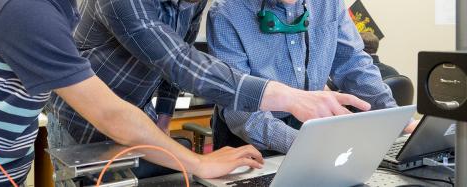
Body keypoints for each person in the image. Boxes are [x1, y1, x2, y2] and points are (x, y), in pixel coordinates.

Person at [0, 0, 370, 186]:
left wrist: (164, 127)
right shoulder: (29, 11)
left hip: (1, 161)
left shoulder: (56, 6)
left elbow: (175, 64)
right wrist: (282, 96)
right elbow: (116, 108)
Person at [46, 0, 371, 184]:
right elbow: (179, 62)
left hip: (140, 116)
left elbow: (181, 47)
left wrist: (164, 114)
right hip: (83, 121)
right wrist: (287, 96)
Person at [206, 0, 411, 154]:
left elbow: (354, 64)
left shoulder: (329, 3)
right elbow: (240, 109)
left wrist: (396, 120)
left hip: (312, 131)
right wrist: (306, 146)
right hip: (249, 141)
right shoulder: (227, 13)